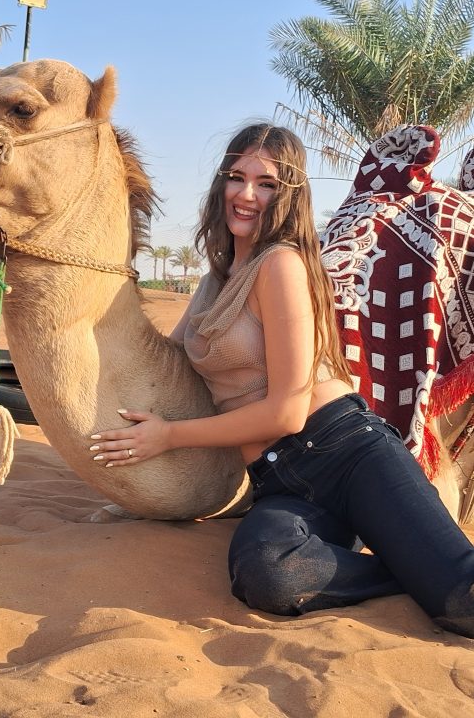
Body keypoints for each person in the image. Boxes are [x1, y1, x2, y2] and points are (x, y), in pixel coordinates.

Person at [88, 123, 474, 638]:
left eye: (266, 183)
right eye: (236, 176)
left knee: (461, 599)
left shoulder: (282, 265)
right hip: (278, 480)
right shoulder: (211, 284)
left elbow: (287, 412)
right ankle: (407, 572)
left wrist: (168, 435)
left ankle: (428, 573)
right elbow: (169, 362)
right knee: (268, 575)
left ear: (288, 195)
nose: (247, 195)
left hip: (348, 452)